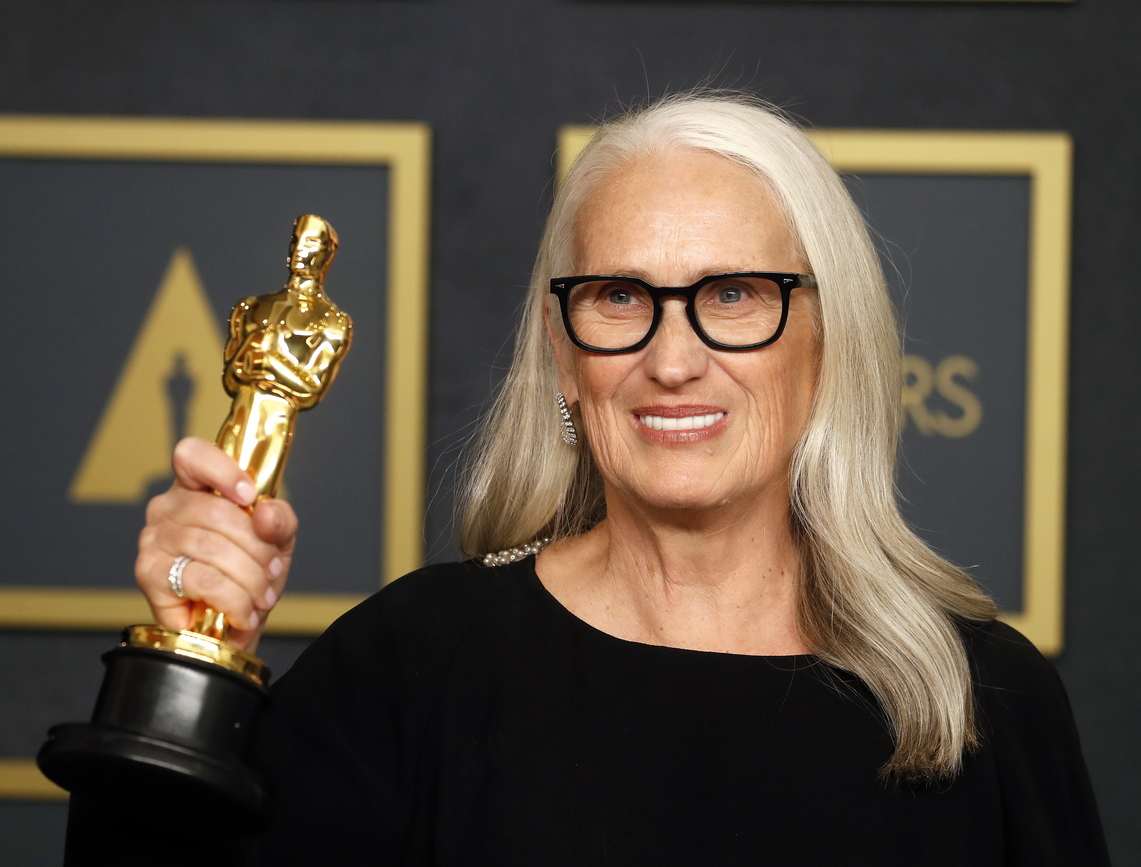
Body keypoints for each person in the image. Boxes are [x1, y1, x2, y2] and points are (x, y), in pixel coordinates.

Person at [70, 92, 1109, 864]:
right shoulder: (417, 665)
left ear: (825, 340)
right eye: (619, 297)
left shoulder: (985, 700)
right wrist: (189, 670)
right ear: (563, 357)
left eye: (734, 294)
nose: (671, 357)